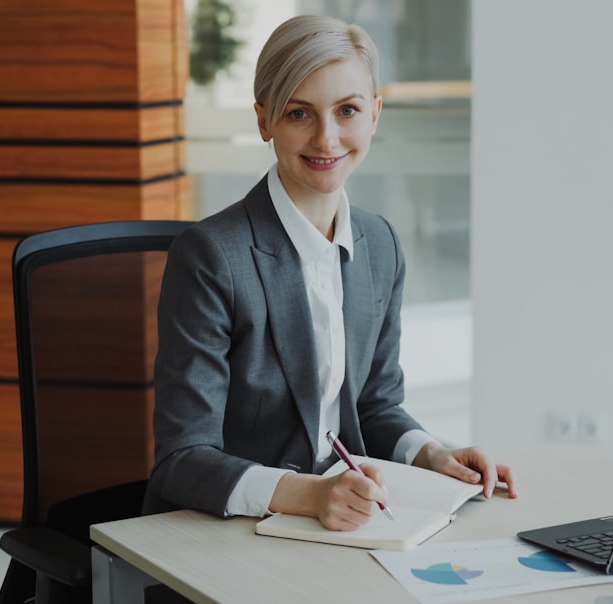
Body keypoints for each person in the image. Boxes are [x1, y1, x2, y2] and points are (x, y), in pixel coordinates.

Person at [143, 14, 517, 531]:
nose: (327, 138)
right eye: (299, 113)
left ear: (375, 116)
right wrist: (312, 495)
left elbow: (375, 406)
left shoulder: (380, 244)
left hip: (340, 522)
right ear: (263, 120)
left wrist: (431, 454)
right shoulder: (211, 256)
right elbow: (182, 460)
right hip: (223, 528)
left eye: (347, 110)